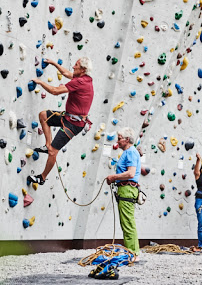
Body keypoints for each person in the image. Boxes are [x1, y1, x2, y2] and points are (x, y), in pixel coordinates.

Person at [27, 57, 94, 186]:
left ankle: (42, 177)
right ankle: (47, 145)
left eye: (76, 65)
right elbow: (67, 73)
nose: (73, 67)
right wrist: (53, 63)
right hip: (68, 117)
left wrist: (40, 82)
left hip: (74, 124)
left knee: (53, 151)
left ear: (83, 70)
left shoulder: (81, 82)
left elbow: (55, 91)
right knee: (43, 116)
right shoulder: (84, 78)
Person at [106, 127, 141, 261]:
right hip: (125, 188)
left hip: (127, 188)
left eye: (119, 138)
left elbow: (131, 173)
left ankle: (133, 253)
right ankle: (131, 251)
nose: (118, 141)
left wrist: (114, 177)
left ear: (127, 139)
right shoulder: (128, 152)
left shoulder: (131, 152)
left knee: (128, 222)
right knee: (126, 221)